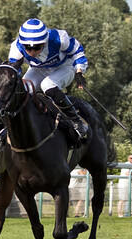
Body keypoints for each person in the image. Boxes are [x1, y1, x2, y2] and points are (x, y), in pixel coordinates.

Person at [7, 18, 89, 147]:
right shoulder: (16, 48)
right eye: (28, 48)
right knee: (23, 88)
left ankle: (76, 121)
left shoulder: (58, 38)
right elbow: (13, 71)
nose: (32, 52)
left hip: (64, 67)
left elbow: (77, 50)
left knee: (47, 85)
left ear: (44, 42)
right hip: (38, 70)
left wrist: (79, 71)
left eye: (37, 47)